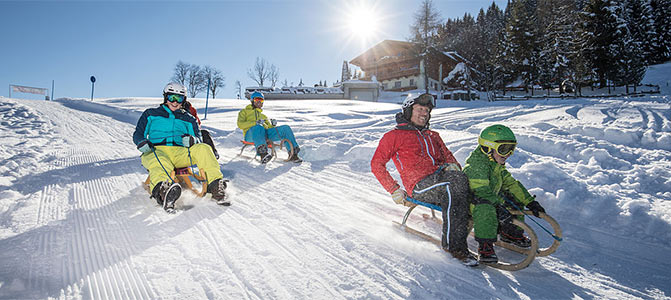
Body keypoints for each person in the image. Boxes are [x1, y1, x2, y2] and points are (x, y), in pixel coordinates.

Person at [371, 93, 477, 266]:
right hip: (419, 185)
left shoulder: (432, 135)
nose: (424, 114)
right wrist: (394, 189)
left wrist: (453, 167)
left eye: (427, 111)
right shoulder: (394, 136)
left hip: (442, 180)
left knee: (468, 182)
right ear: (407, 110)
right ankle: (455, 247)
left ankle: (495, 232)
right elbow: (377, 164)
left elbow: (449, 157)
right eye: (420, 109)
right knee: (454, 184)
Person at [133, 83, 229, 212]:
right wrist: (141, 142)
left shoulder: (189, 118)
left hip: (181, 153)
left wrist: (192, 140)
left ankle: (215, 185)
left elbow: (199, 138)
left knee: (204, 148)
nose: (175, 102)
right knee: (159, 163)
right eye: (172, 97)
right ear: (165, 97)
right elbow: (138, 133)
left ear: (184, 100)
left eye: (179, 98)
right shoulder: (150, 114)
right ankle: (163, 192)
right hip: (156, 151)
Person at [462, 124, 546, 263]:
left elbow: (511, 184)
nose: (508, 154)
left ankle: (511, 233)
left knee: (512, 198)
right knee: (486, 208)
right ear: (487, 148)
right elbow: (482, 192)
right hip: (473, 204)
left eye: (511, 149)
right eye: (504, 149)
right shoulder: (476, 167)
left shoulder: (495, 165)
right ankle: (485, 246)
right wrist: (498, 207)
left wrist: (529, 202)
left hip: (490, 199)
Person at [237, 91, 301, 163]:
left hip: (264, 135)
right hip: (250, 135)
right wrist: (255, 123)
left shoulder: (263, 116)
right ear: (252, 100)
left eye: (261, 100)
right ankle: (263, 154)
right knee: (258, 127)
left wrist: (273, 125)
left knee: (285, 128)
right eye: (257, 99)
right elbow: (240, 124)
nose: (259, 102)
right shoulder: (244, 112)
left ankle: (293, 153)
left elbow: (269, 129)